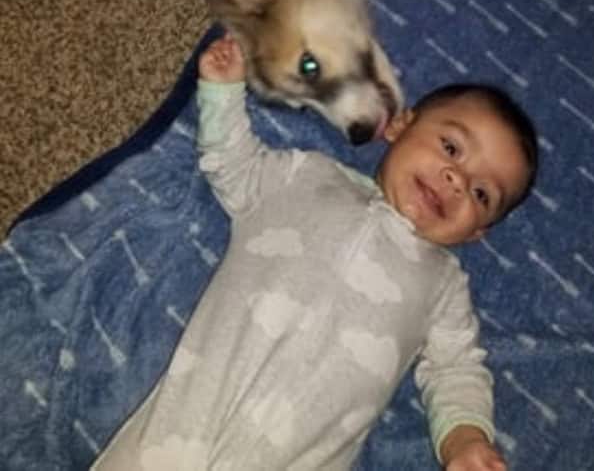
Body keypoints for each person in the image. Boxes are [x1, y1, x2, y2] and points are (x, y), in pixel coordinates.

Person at [93, 33, 538, 471]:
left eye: (482, 194)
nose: (457, 180)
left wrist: (465, 440)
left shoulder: (444, 284)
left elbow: (455, 369)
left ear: (476, 233)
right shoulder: (306, 176)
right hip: (174, 436)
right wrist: (223, 90)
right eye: (451, 147)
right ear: (400, 125)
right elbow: (235, 165)